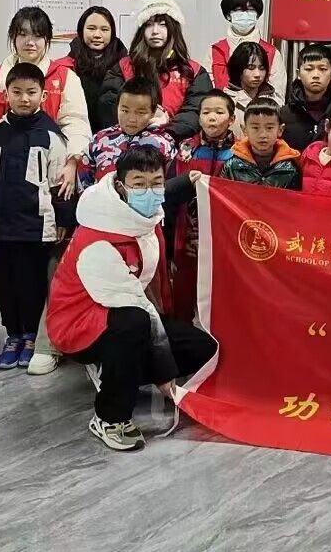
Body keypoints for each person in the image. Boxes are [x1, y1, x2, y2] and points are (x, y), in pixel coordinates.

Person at [46, 146, 218, 452]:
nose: (149, 192)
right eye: (139, 184)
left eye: (156, 183)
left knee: (202, 348)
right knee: (134, 323)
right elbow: (133, 305)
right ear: (121, 186)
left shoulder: (141, 217)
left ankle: (118, 369)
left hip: (125, 310)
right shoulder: (99, 241)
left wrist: (190, 180)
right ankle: (109, 417)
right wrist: (164, 372)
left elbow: (165, 193)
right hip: (80, 324)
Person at [0, 62, 70, 371]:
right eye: (17, 92)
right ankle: (13, 335)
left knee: (32, 283)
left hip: (35, 226)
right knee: (5, 284)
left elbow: (60, 183)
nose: (24, 98)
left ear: (43, 95)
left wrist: (63, 220)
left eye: (31, 92)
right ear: (6, 95)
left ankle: (31, 336)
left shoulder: (52, 137)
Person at [0, 6, 92, 203]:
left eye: (37, 35)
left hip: (48, 171)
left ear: (47, 39)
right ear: (13, 37)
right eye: (23, 34)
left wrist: (72, 163)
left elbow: (76, 123)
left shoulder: (64, 77)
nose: (30, 42)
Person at [98, 0, 212, 140]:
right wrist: (138, 123)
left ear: (173, 29)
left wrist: (168, 129)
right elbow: (108, 105)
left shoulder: (193, 71)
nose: (155, 31)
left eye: (163, 25)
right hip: (127, 142)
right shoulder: (123, 67)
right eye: (149, 25)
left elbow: (196, 110)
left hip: (176, 144)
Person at [169, 92, 237, 319]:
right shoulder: (186, 149)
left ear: (232, 119)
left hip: (224, 236)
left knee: (221, 298)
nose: (211, 117)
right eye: (206, 112)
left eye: (219, 112)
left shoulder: (240, 153)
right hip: (188, 233)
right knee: (183, 293)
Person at [84, 78, 176, 186]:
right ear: (117, 107)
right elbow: (84, 180)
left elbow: (170, 185)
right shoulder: (100, 139)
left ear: (153, 112)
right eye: (125, 111)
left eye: (140, 113)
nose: (131, 119)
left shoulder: (164, 144)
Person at [209, 0, 286, 98]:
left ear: (257, 15)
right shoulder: (215, 51)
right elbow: (207, 92)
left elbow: (278, 95)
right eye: (238, 10)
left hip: (261, 108)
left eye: (250, 10)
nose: (244, 14)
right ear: (228, 15)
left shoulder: (271, 52)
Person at [68, 6, 127, 128]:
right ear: (81, 30)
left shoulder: (124, 64)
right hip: (78, 129)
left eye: (104, 29)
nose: (97, 35)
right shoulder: (69, 64)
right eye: (91, 28)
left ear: (112, 32)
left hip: (115, 131)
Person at [223, 100, 302, 189]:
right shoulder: (231, 167)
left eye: (269, 128)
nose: (262, 135)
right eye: (255, 128)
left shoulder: (290, 169)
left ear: (280, 130)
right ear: (245, 130)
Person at [282, 43, 331, 153]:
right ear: (298, 74)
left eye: (323, 69)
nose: (316, 75)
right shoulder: (284, 115)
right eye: (309, 69)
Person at [224, 40, 278, 136]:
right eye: (251, 68)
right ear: (238, 69)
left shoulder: (274, 100)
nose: (257, 74)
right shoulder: (226, 102)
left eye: (262, 68)